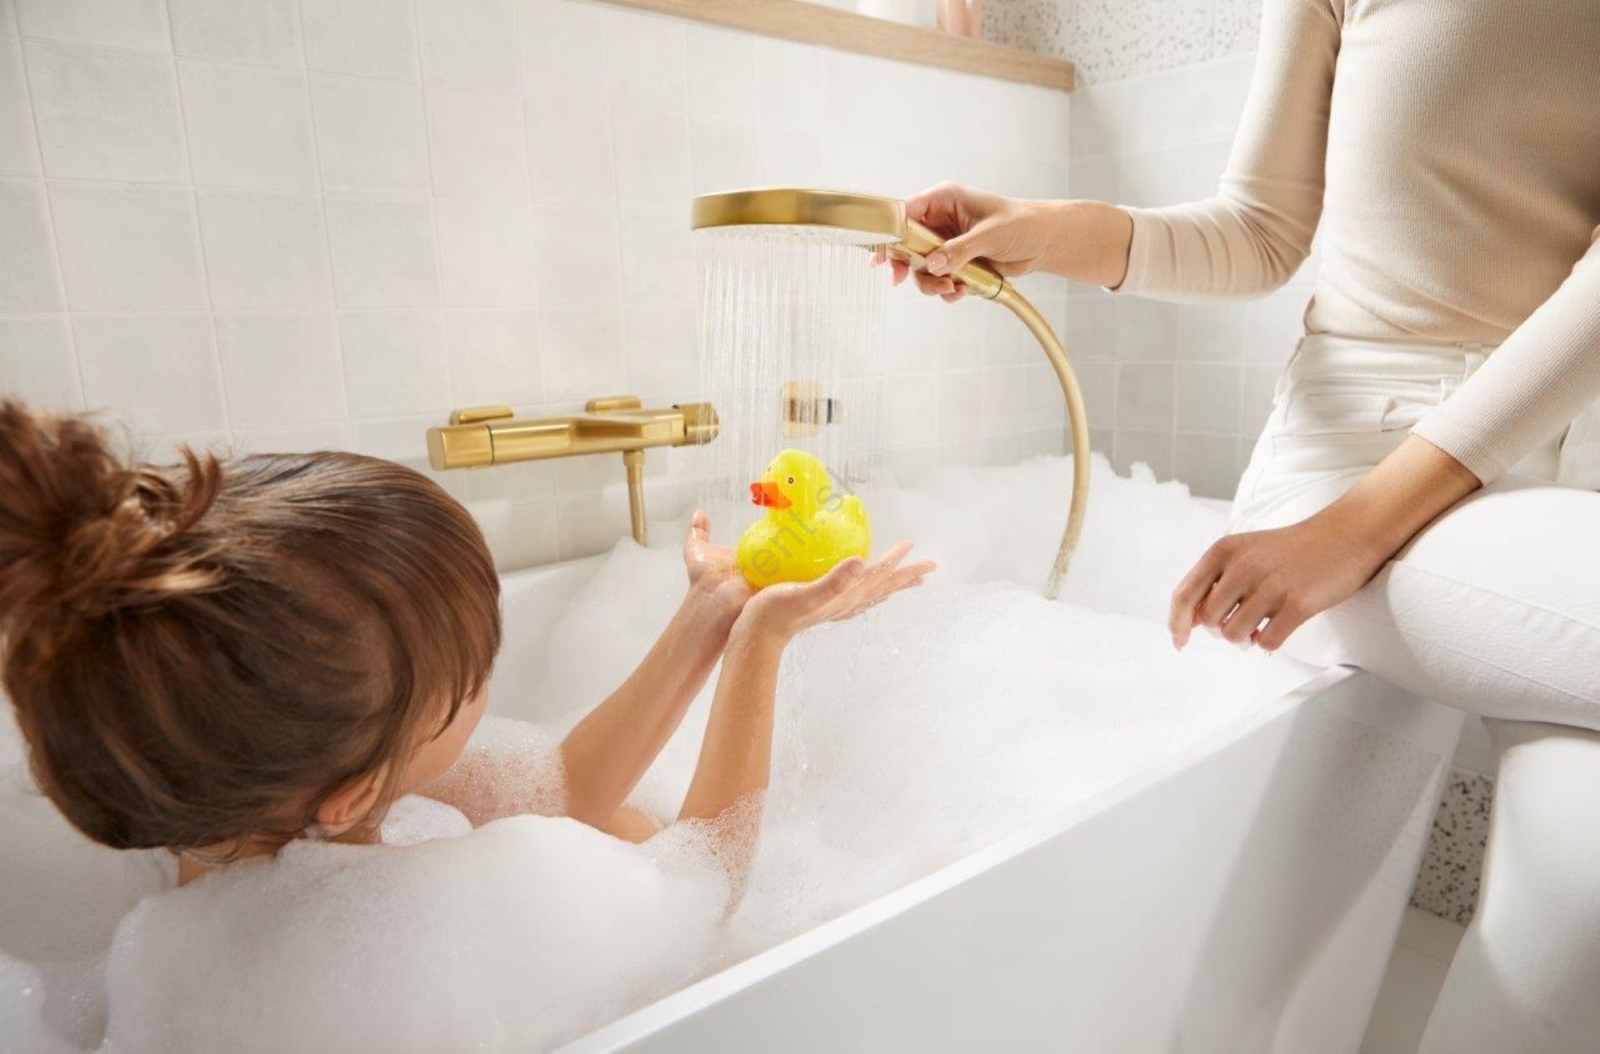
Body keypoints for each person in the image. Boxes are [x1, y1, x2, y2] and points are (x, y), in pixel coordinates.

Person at [890, 0, 1600, 1047]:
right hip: (1349, 471)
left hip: (1554, 492)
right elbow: (1259, 229)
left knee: (1578, 918)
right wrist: (1049, 230)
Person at [0, 398, 930, 890]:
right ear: (356, 794)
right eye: (475, 671)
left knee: (611, 825)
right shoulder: (369, 958)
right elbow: (701, 896)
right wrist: (762, 644)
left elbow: (561, 787)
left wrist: (713, 611)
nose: (490, 674)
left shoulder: (249, 800)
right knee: (632, 839)